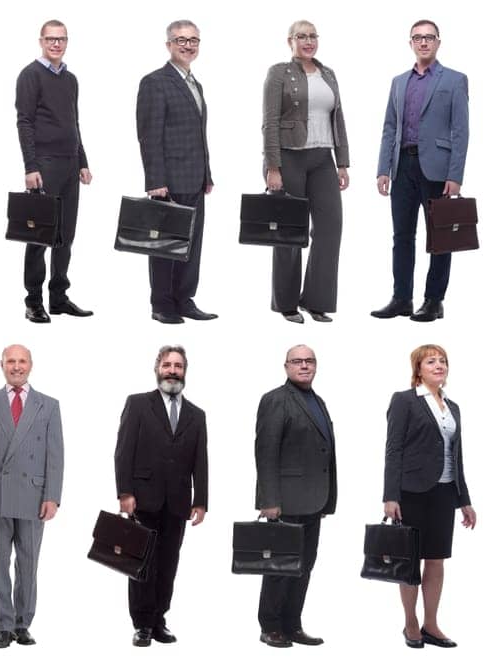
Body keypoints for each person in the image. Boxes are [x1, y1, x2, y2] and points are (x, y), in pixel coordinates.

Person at [370, 21, 470, 322]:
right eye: (417, 38)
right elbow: (389, 127)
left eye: (429, 38)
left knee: (440, 237)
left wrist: (455, 175)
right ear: (410, 43)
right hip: (402, 167)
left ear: (438, 42)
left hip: (437, 169)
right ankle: (401, 298)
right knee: (402, 235)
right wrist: (383, 168)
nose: (423, 42)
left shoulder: (454, 80)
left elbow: (461, 131)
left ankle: (434, 300)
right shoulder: (399, 81)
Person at [0, 344, 63, 648]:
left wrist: (53, 496)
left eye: (22, 361)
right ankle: (3, 626)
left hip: (34, 496)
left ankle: (23, 623)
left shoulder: (49, 405)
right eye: (11, 361)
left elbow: (55, 455)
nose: (16, 366)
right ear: (2, 365)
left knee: (28, 563)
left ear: (31, 365)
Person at [113, 345, 208, 646]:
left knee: (168, 563)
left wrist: (201, 500)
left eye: (178, 366)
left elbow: (200, 460)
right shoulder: (138, 404)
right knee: (141, 563)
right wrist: (125, 492)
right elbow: (123, 451)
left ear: (185, 372)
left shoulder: (196, 414)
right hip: (143, 498)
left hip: (179, 502)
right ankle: (141, 623)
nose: (172, 371)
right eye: (167, 365)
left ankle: (158, 620)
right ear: (157, 368)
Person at [383, 344, 476, 648]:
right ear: (418, 369)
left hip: (444, 492)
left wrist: (464, 499)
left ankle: (431, 624)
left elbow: (456, 456)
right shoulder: (405, 400)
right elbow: (393, 450)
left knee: (436, 561)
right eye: (431, 361)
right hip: (411, 492)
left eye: (443, 361)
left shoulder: (453, 407)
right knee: (409, 562)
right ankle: (410, 623)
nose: (439, 365)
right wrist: (390, 496)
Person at [262, 21, 349, 324]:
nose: (308, 41)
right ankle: (286, 303)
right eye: (302, 36)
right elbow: (270, 121)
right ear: (291, 41)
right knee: (289, 232)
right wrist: (273, 167)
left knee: (330, 228)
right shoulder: (279, 73)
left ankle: (316, 300)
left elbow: (338, 119)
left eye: (313, 36)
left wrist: (342, 162)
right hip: (289, 159)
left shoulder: (328, 74)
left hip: (323, 159)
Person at [252, 345, 334, 647]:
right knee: (279, 567)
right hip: (284, 502)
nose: (304, 366)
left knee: (304, 565)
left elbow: (326, 452)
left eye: (310, 361)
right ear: (286, 366)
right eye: (297, 361)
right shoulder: (275, 400)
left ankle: (292, 624)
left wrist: (328, 499)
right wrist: (269, 500)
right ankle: (270, 625)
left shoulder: (318, 401)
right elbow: (266, 452)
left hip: (314, 501)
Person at [136, 20, 216, 325]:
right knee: (166, 245)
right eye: (181, 40)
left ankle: (185, 300)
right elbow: (149, 135)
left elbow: (198, 133)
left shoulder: (195, 83)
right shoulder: (155, 82)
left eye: (194, 40)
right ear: (169, 44)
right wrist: (155, 181)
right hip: (168, 180)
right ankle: (162, 304)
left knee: (192, 245)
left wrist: (207, 174)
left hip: (194, 177)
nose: (188, 45)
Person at [15, 20, 94, 323]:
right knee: (39, 236)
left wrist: (83, 161)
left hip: (70, 166)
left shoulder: (71, 79)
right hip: (45, 165)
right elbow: (24, 122)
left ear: (67, 42)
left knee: (66, 235)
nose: (56, 44)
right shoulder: (30, 75)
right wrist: (31, 166)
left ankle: (59, 297)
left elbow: (74, 123)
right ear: (41, 41)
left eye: (61, 39)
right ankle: (33, 300)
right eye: (51, 39)